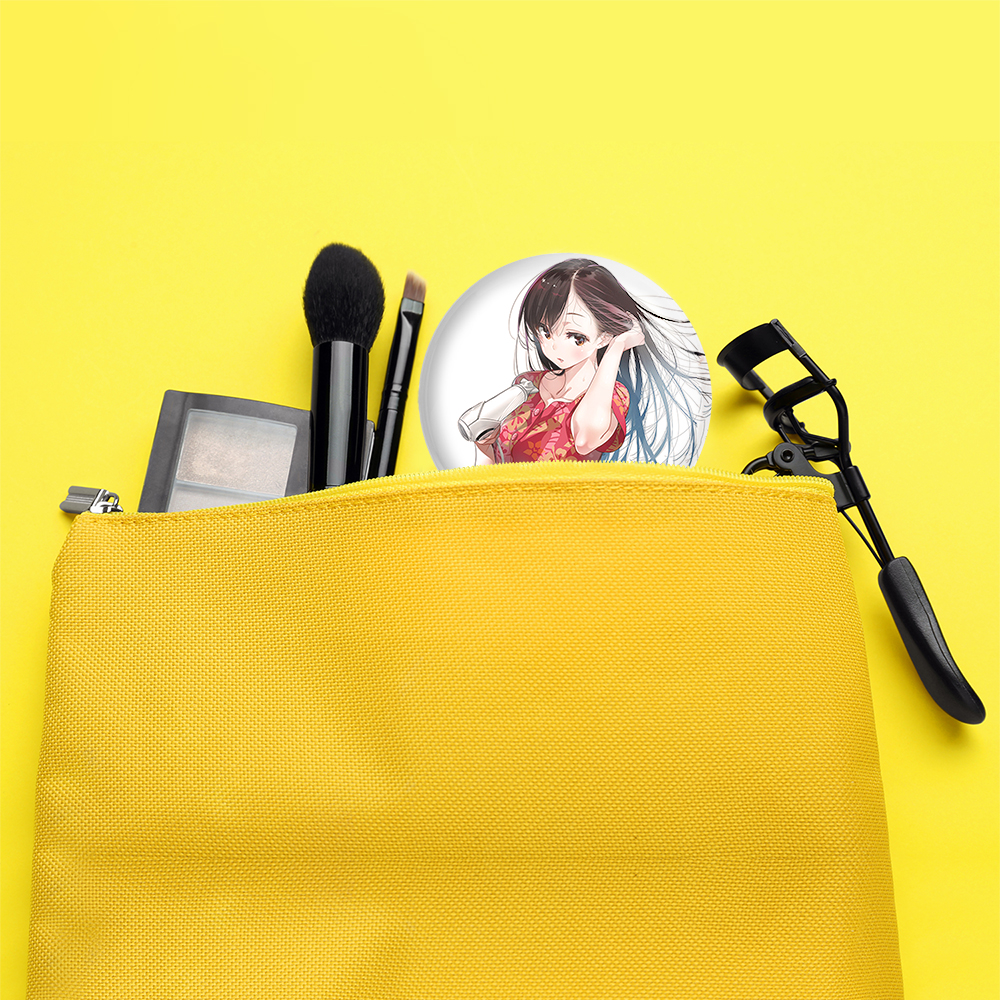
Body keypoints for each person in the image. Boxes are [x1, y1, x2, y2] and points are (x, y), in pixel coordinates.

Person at [462, 258, 711, 466]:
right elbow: (493, 466)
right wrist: (485, 446)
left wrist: (616, 348)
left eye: (575, 337)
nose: (553, 347)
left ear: (604, 336)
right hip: (500, 502)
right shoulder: (527, 384)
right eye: (545, 331)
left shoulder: (612, 397)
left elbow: (585, 439)